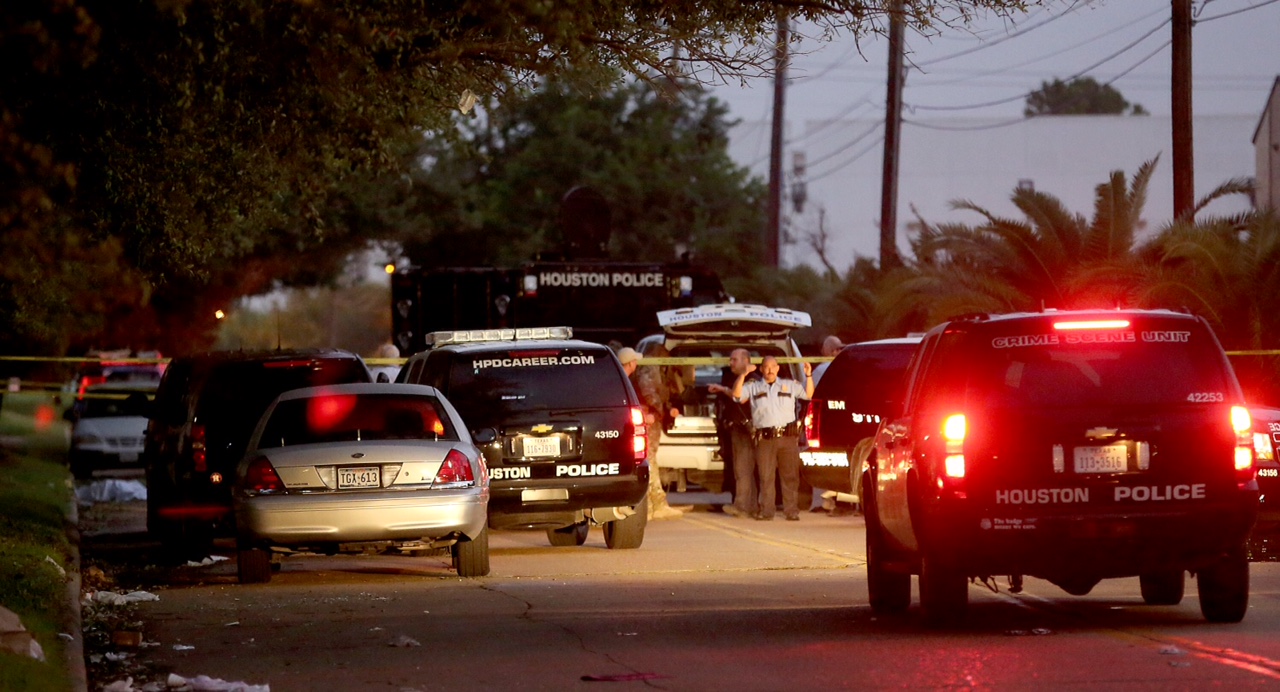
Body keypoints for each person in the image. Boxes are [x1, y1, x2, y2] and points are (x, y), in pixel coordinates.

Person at [732, 355, 813, 521]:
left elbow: (808, 395)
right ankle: (767, 511)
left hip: (787, 437)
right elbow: (736, 395)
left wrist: (808, 376)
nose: (769, 370)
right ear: (761, 369)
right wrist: (743, 375)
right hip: (765, 439)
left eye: (772, 367)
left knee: (790, 476)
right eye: (766, 367)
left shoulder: (789, 385)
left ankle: (791, 511)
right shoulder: (753, 387)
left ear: (777, 368)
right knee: (766, 477)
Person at [619, 346, 687, 520]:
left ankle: (655, 503)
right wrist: (657, 412)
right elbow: (647, 392)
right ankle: (650, 505)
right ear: (631, 363)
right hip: (643, 421)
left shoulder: (620, 378)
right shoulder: (637, 375)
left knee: (647, 461)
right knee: (646, 460)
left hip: (640, 419)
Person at [707, 348, 761, 519]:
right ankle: (750, 506)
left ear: (746, 361)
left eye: (734, 360)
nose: (731, 363)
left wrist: (723, 389)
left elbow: (740, 397)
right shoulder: (739, 379)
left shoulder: (752, 379)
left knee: (743, 469)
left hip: (745, 430)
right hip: (737, 430)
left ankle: (742, 506)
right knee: (742, 469)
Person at [809, 335, 843, 513]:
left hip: (824, 420)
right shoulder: (847, 367)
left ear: (825, 351)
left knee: (820, 459)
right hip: (841, 420)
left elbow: (810, 395)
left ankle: (821, 502)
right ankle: (841, 501)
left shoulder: (821, 369)